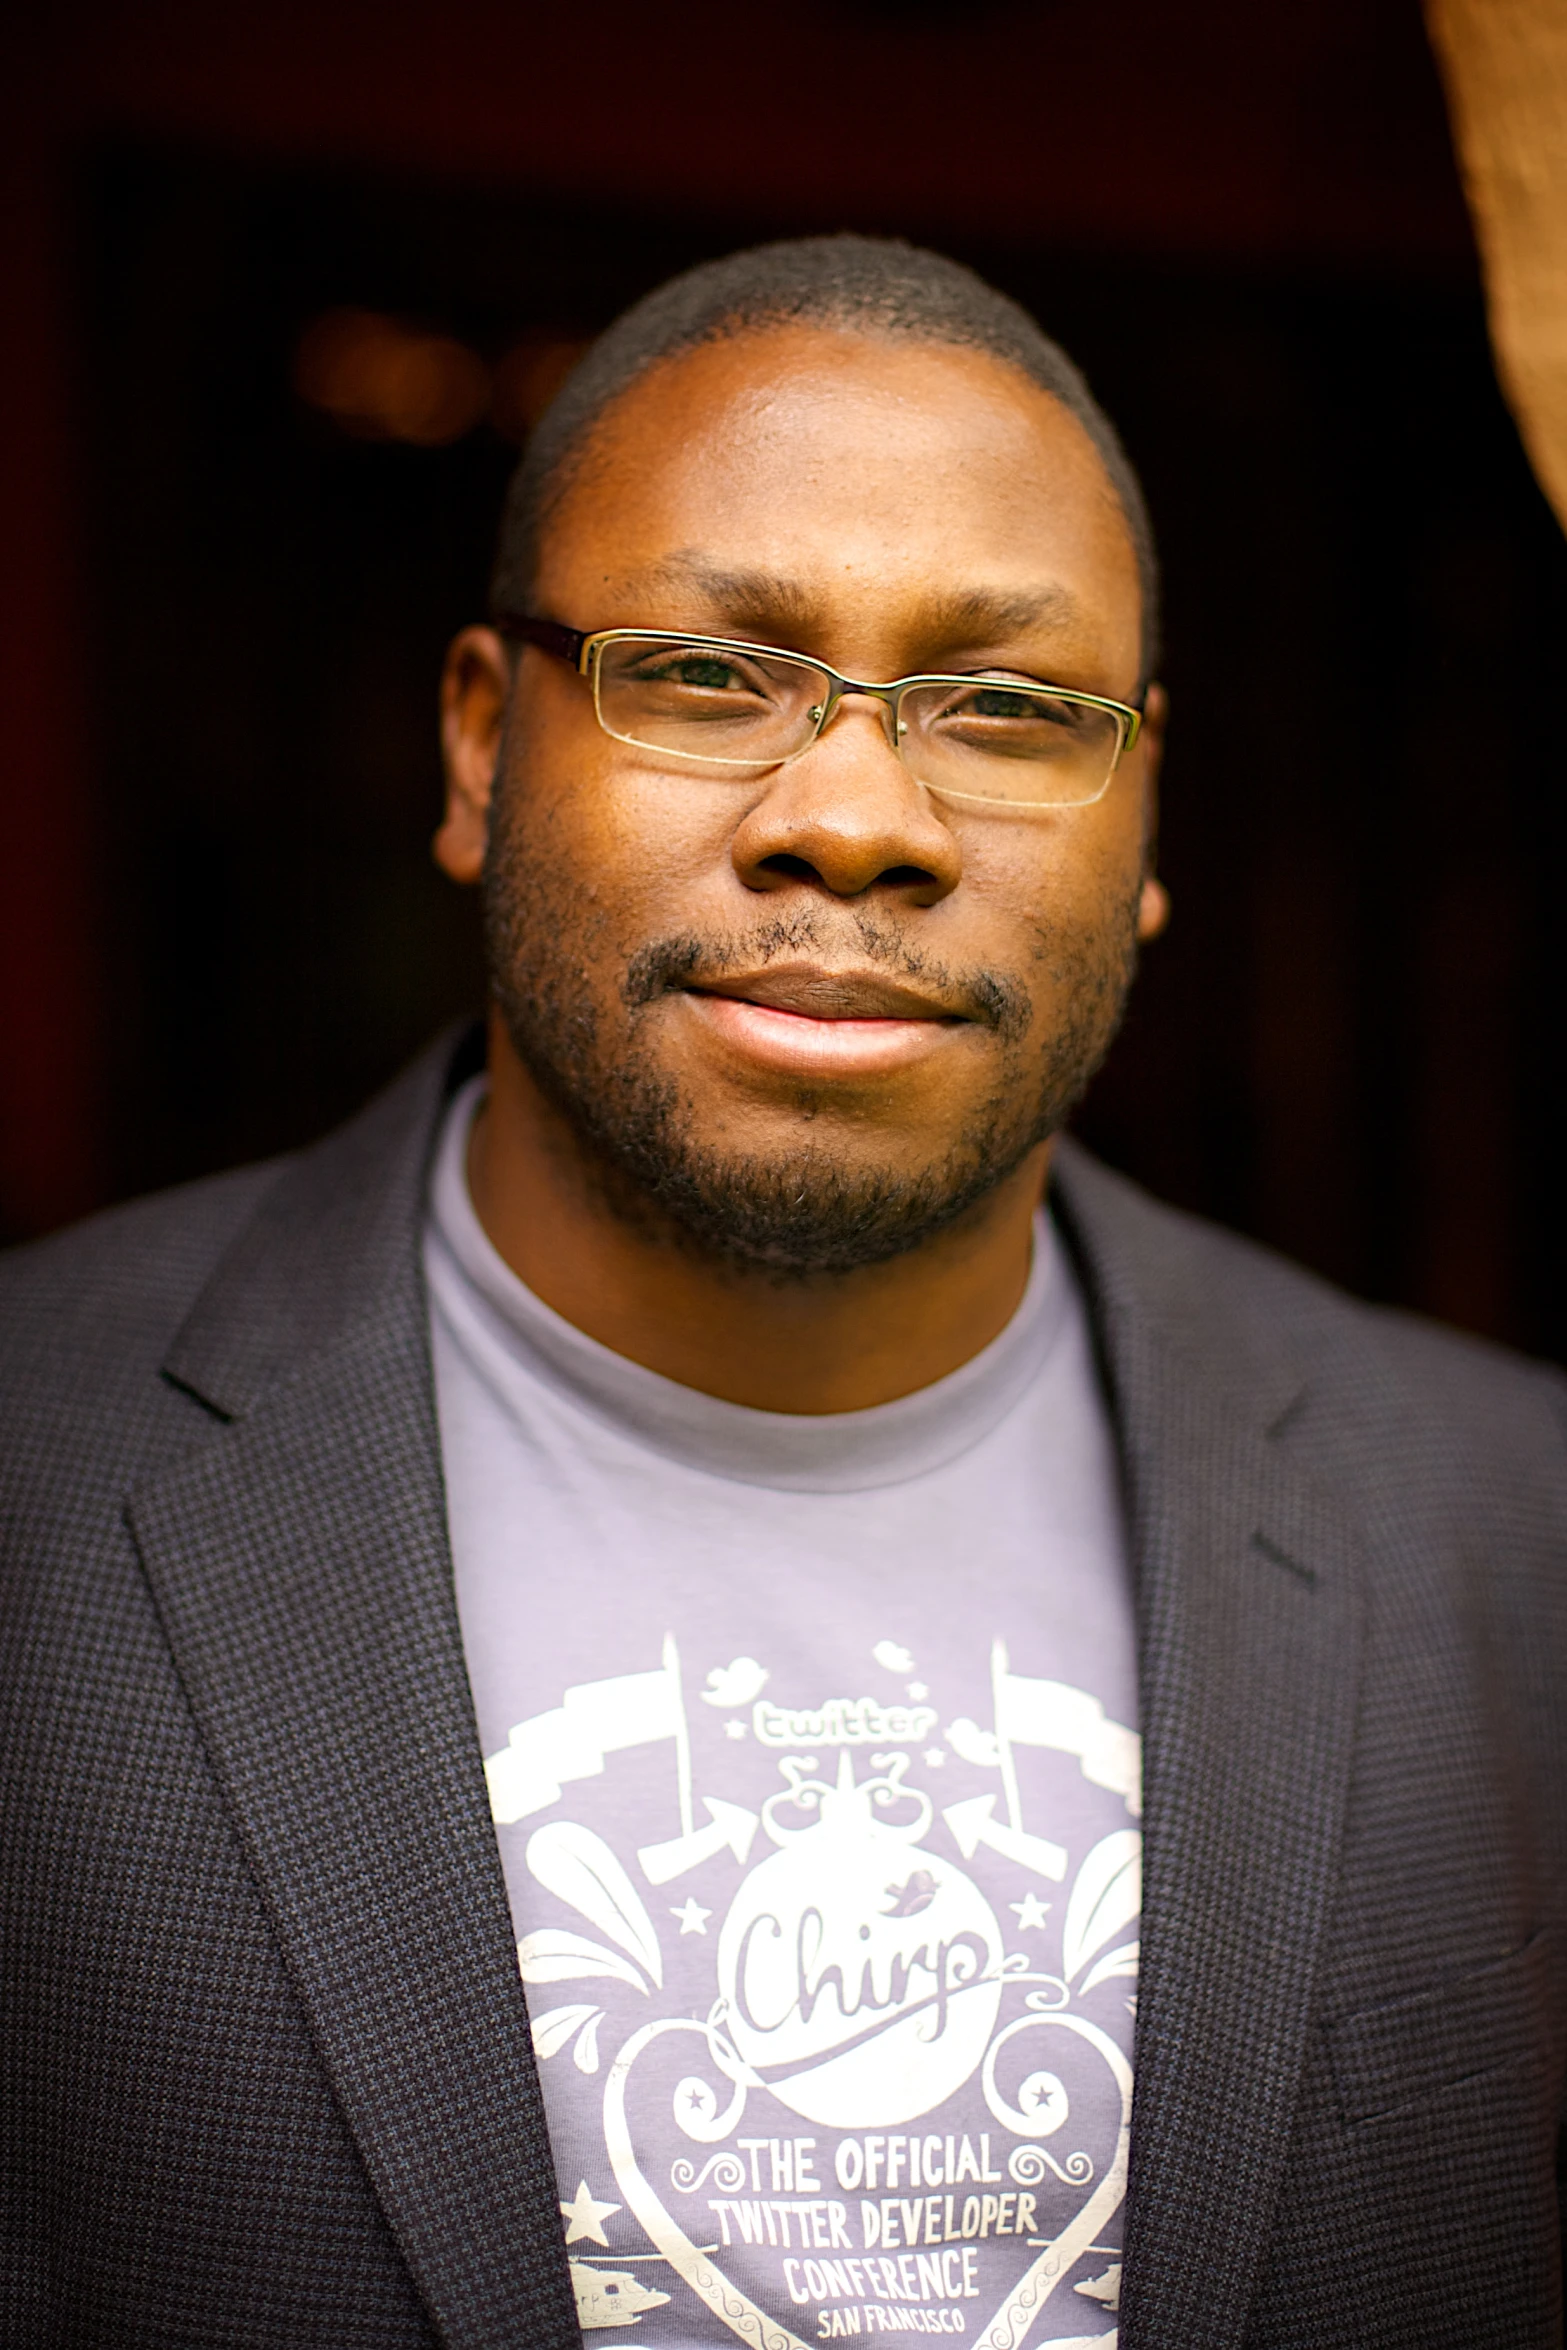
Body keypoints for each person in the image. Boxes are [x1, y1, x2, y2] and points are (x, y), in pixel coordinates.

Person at [1, 237, 1561, 2350]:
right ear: (479, 747)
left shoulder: (1508, 1529)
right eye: (708, 675)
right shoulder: (35, 1475)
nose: (852, 818)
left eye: (1008, 708)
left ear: (1146, 811)